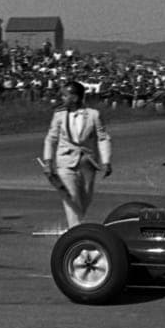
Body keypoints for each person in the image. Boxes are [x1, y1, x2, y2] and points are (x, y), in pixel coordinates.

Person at [42, 80, 112, 228]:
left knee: (85, 199)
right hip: (65, 162)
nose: (62, 98)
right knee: (70, 197)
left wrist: (106, 162)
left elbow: (103, 138)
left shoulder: (94, 115)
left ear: (75, 97)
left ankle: (76, 230)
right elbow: (51, 139)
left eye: (65, 95)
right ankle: (77, 236)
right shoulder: (59, 115)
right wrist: (48, 161)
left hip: (88, 163)